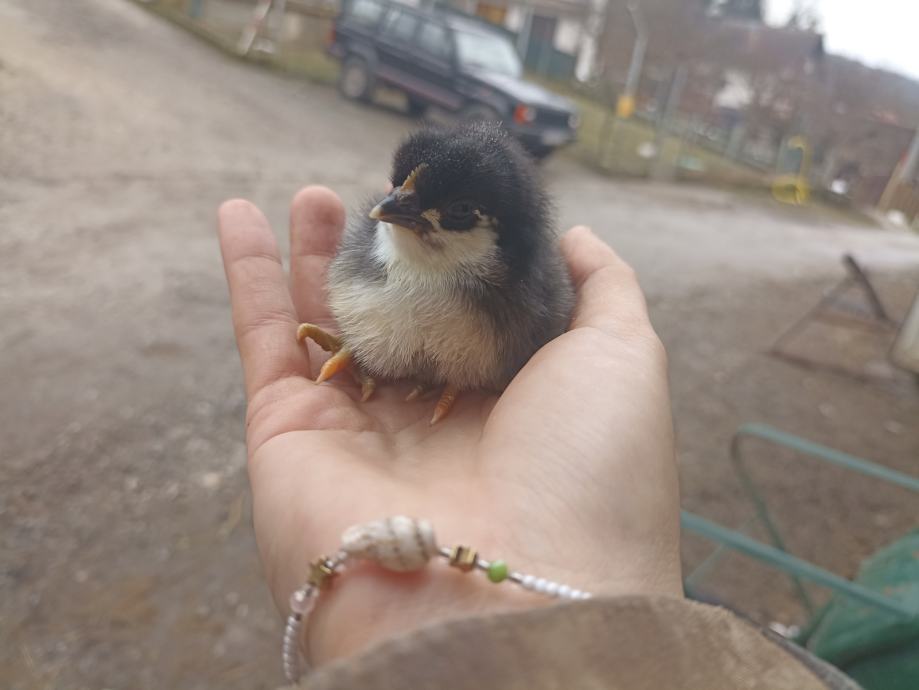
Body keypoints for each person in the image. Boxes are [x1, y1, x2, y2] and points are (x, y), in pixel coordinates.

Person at [217, 187, 859, 690]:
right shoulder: (378, 248)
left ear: (500, 233)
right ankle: (366, 350)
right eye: (402, 189)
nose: (392, 207)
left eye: (455, 213)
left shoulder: (519, 296)